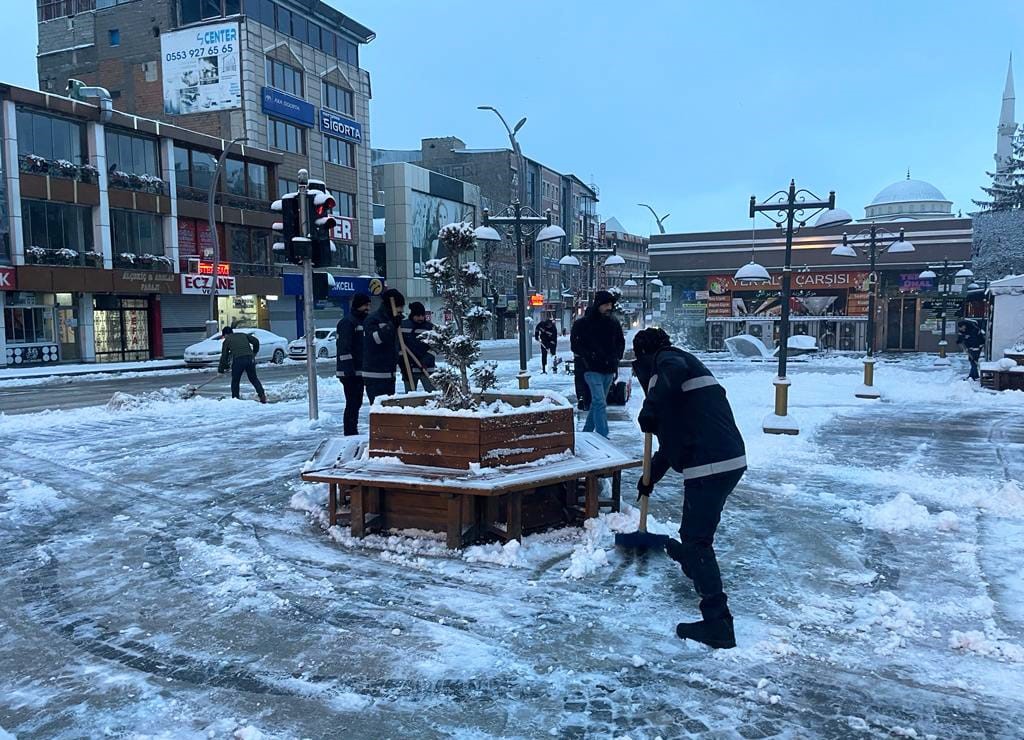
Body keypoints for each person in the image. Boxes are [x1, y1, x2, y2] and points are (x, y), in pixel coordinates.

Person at [632, 327, 746, 649]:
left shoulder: (667, 363)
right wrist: (649, 477)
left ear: (643, 356)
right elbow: (673, 443)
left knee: (697, 539)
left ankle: (718, 624)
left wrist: (651, 406)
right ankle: (692, 561)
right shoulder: (681, 374)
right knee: (694, 535)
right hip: (726, 458)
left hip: (709, 462)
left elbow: (670, 370)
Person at [570, 290, 625, 438]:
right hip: (591, 369)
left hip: (609, 369)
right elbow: (575, 345)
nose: (609, 307)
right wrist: (588, 357)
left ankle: (586, 433)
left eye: (611, 304)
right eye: (606, 304)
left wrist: (616, 358)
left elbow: (620, 342)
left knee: (596, 402)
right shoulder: (583, 324)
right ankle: (603, 435)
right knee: (600, 402)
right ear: (598, 305)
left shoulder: (613, 323)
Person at [336, 293, 371, 435]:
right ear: (358, 305)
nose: (368, 308)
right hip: (349, 372)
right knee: (352, 403)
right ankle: (349, 432)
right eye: (365, 305)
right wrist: (348, 370)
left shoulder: (364, 321)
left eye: (369, 305)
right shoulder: (348, 322)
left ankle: (352, 430)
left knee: (356, 402)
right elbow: (344, 347)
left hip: (358, 370)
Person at [363, 288, 405, 402]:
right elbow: (375, 340)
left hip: (389, 374)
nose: (401, 310)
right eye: (399, 306)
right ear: (391, 306)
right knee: (378, 410)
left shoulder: (395, 321)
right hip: (375, 374)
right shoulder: (373, 319)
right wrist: (391, 326)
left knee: (388, 411)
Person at [217, 326, 267, 403]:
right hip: (250, 359)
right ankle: (262, 395)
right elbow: (256, 341)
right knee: (253, 378)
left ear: (225, 334)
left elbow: (224, 356)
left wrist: (221, 370)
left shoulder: (227, 341)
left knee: (235, 381)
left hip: (239, 360)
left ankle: (235, 399)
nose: (224, 338)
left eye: (224, 336)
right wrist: (254, 353)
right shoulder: (242, 335)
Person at [400, 302, 436, 392]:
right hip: (409, 369)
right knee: (410, 398)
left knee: (432, 396)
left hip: (427, 368)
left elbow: (436, 347)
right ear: (412, 315)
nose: (421, 318)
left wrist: (426, 360)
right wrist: (403, 363)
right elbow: (399, 346)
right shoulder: (402, 326)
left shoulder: (430, 328)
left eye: (422, 315)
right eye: (418, 315)